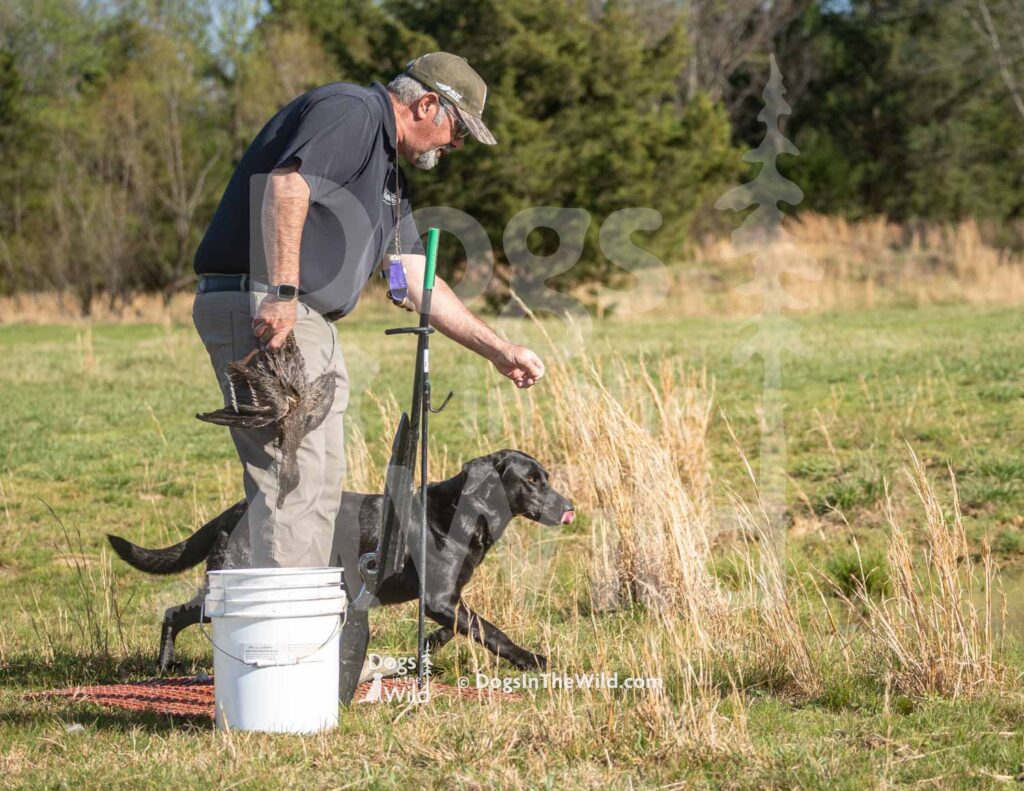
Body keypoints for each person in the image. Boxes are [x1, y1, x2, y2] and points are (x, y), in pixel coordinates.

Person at [191, 52, 544, 569]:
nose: (457, 146)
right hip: (272, 310)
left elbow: (411, 280)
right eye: (459, 131)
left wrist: (499, 350)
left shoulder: (387, 177)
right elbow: (287, 186)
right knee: (293, 482)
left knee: (320, 481)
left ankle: (293, 632)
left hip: (305, 320)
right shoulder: (353, 112)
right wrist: (284, 295)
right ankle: (280, 640)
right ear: (427, 104)